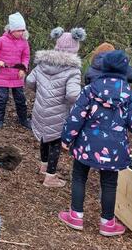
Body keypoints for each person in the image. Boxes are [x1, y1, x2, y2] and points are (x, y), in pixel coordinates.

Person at [59, 50, 132, 236]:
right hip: (114, 149)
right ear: (124, 70)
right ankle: (107, 223)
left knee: (80, 176)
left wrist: (66, 138)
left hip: (87, 144)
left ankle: (76, 216)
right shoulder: (129, 95)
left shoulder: (90, 90)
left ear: (104, 67)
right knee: (110, 183)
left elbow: (76, 117)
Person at [26, 27, 86, 187]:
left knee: (45, 138)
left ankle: (44, 167)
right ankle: (50, 177)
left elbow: (30, 81)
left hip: (40, 108)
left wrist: (41, 93)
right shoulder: (73, 70)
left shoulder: (42, 63)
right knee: (56, 142)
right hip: (59, 112)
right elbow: (73, 95)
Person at [0, 12, 31, 130]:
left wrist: (23, 68)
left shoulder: (24, 42)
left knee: (20, 99)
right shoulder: (1, 40)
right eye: (18, 30)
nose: (21, 33)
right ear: (12, 30)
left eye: (23, 30)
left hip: (17, 76)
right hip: (2, 75)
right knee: (2, 98)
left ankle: (23, 119)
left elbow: (26, 57)